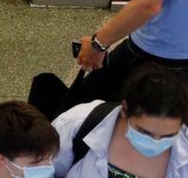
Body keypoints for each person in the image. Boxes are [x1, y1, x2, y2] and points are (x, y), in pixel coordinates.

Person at [51, 65, 188, 177]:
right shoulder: (78, 122)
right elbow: (40, 168)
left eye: (169, 136)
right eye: (144, 132)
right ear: (124, 110)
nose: (156, 143)